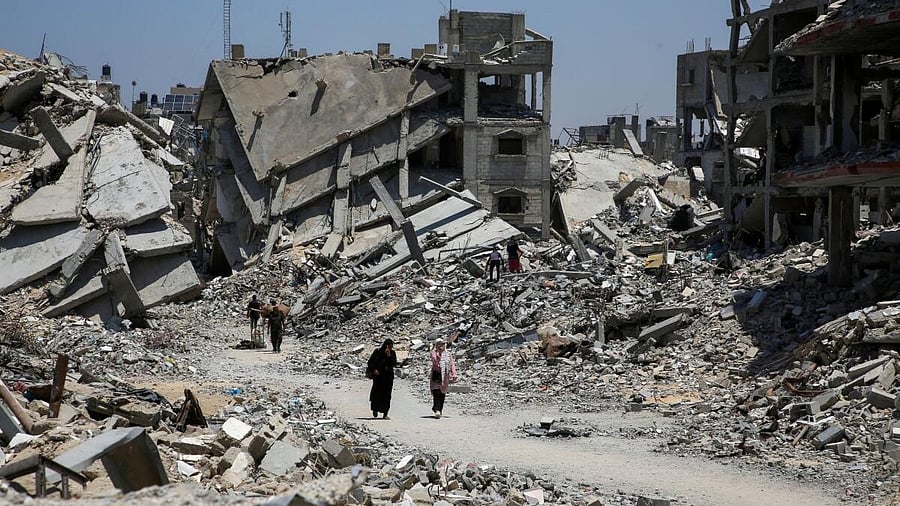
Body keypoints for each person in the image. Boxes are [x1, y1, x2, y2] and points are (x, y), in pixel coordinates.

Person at [367, 339, 397, 420]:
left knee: (387, 396)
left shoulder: (392, 353)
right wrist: (374, 369)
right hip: (379, 377)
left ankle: (385, 413)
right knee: (377, 394)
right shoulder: (378, 352)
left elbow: (394, 363)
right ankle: (375, 409)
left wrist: (389, 355)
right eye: (389, 345)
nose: (391, 347)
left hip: (388, 378)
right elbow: (370, 362)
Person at [429, 338, 457, 419]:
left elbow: (452, 364)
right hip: (436, 375)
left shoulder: (448, 354)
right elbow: (435, 362)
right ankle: (437, 409)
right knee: (436, 392)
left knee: (442, 393)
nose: (442, 346)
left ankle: (439, 409)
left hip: (445, 377)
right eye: (440, 344)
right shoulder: (434, 353)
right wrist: (439, 353)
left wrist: (454, 374)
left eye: (443, 344)